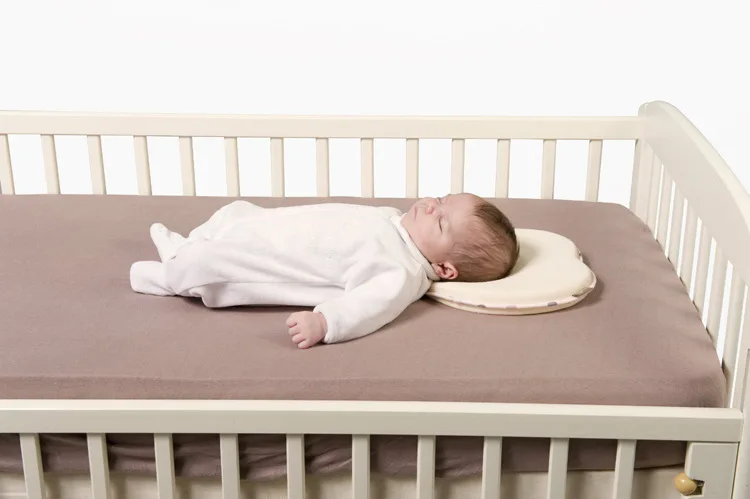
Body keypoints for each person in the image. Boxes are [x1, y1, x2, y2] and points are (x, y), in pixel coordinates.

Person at [130, 193, 518, 348]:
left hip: (276, 259)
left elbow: (370, 307)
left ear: (445, 269)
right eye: (442, 199)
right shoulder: (395, 220)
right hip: (277, 228)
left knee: (215, 263)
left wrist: (326, 322)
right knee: (235, 213)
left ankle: (172, 274)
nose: (432, 205)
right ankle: (187, 245)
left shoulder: (401, 272)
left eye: (441, 220)